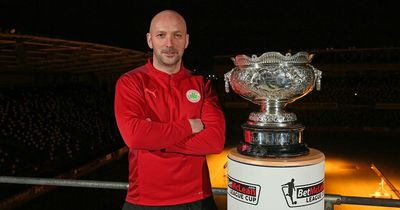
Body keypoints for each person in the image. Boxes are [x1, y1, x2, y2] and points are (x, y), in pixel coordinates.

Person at [114, 9, 226, 210]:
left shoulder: (201, 84)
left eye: (177, 35)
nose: (169, 43)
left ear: (186, 40)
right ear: (149, 40)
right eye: (161, 35)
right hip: (145, 201)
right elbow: (135, 137)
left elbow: (215, 141)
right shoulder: (130, 82)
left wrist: (155, 140)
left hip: (198, 199)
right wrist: (190, 126)